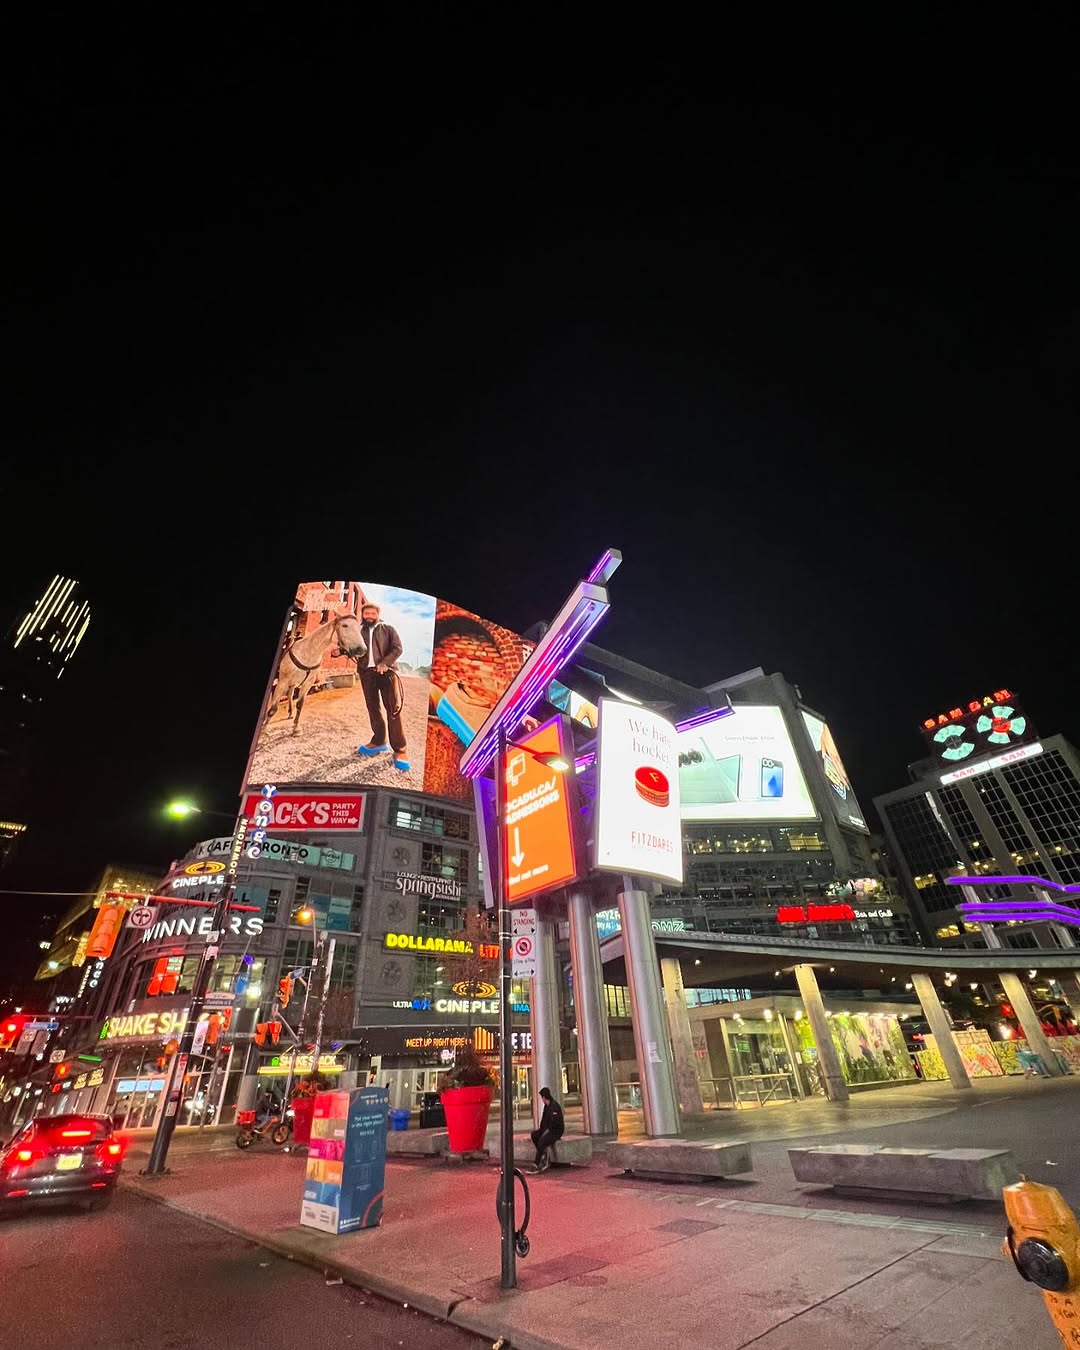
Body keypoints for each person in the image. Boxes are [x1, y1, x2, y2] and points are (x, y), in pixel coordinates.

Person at [353, 602, 410, 771]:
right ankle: (379, 741)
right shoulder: (359, 631)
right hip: (367, 673)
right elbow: (354, 648)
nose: (369, 616)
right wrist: (340, 651)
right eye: (366, 613)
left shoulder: (388, 629)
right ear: (363, 615)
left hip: (387, 673)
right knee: (373, 708)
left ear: (378, 614)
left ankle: (400, 749)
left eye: (373, 613)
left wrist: (385, 663)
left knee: (393, 709)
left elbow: (397, 648)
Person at [530, 1086, 565, 1172]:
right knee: (534, 1135)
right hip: (547, 1129)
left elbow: (555, 1123)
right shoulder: (546, 1106)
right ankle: (542, 1154)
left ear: (544, 1097)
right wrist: (541, 1130)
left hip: (556, 1131)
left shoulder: (555, 1106)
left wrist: (546, 1132)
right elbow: (544, 1120)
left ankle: (536, 1164)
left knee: (542, 1140)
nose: (542, 1100)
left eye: (542, 1098)